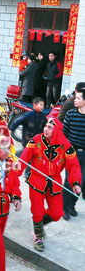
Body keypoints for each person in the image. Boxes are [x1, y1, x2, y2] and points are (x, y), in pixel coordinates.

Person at [19, 118, 82, 251]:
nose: (45, 129)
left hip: (54, 183)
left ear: (57, 131)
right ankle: (38, 235)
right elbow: (24, 157)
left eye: (49, 127)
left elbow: (74, 165)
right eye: (45, 126)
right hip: (37, 181)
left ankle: (38, 226)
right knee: (38, 211)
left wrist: (75, 182)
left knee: (57, 213)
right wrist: (14, 172)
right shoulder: (36, 140)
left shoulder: (66, 146)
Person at [0, 136, 22, 271]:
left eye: (8, 148)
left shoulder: (11, 163)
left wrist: (17, 198)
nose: (6, 151)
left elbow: (15, 186)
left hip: (4, 210)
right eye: (3, 147)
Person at [62, 88, 85, 220]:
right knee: (69, 181)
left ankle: (72, 205)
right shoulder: (70, 114)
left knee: (80, 183)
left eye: (78, 98)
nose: (75, 100)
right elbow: (64, 134)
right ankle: (65, 207)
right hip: (72, 153)